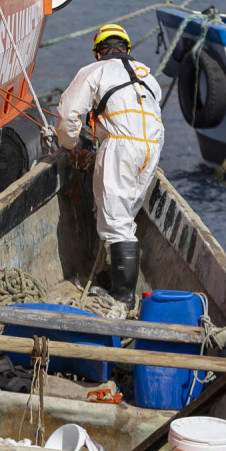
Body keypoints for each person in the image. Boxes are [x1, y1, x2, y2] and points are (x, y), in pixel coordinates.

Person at [51, 25, 164, 309]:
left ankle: (123, 297)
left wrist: (70, 144)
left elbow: (67, 115)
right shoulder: (148, 76)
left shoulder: (94, 71)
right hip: (152, 146)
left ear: (99, 50)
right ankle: (112, 276)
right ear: (126, 48)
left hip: (121, 147)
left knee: (115, 220)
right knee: (125, 212)